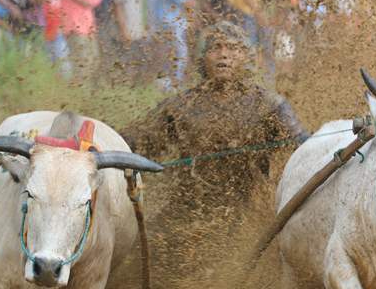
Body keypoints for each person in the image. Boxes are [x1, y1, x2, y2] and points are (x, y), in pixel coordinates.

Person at [123, 21, 308, 274]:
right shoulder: (180, 107)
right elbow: (136, 143)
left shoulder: (270, 106)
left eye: (233, 49)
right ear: (203, 58)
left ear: (246, 57)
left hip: (246, 212)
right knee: (138, 254)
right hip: (187, 210)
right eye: (216, 48)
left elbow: (305, 147)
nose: (224, 55)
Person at [147, 0, 192, 91]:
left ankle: (170, 83)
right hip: (169, 20)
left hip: (169, 19)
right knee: (178, 53)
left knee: (173, 53)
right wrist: (194, 13)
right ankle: (172, 84)